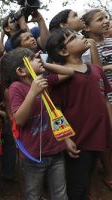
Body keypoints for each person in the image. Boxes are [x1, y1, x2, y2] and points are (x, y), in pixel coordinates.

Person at [0, 47, 77, 200]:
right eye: (33, 59)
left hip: (55, 150)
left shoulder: (44, 81)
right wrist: (33, 92)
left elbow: (69, 72)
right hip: (33, 156)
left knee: (60, 194)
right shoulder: (17, 88)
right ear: (21, 71)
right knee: (33, 194)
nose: (39, 58)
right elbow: (19, 120)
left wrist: (66, 138)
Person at [46, 28, 112, 200]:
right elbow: (54, 111)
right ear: (63, 51)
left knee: (87, 179)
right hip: (78, 140)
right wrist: (65, 138)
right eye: (73, 37)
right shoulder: (61, 77)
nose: (81, 36)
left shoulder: (96, 70)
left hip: (99, 136)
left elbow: (104, 100)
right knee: (76, 185)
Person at [81, 9, 112, 193]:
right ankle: (108, 173)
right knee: (107, 135)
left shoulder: (111, 41)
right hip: (103, 95)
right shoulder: (85, 47)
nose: (106, 21)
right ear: (86, 27)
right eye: (100, 19)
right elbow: (94, 71)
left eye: (106, 18)